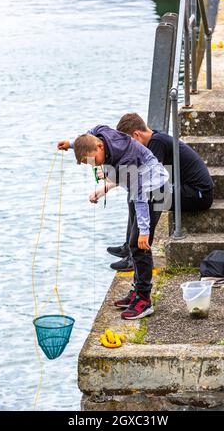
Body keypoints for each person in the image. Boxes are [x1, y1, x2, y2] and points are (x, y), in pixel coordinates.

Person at [57, 125, 170, 320]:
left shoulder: (126, 164)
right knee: (132, 242)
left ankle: (144, 300)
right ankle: (137, 290)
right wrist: (72, 144)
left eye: (92, 160)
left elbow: (140, 196)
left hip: (155, 189)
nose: (93, 165)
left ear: (100, 147)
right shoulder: (100, 132)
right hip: (141, 187)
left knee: (139, 244)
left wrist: (145, 230)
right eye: (87, 163)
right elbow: (87, 138)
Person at [107, 113, 214, 272]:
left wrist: (110, 185)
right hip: (186, 188)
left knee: (148, 196)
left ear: (137, 134)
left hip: (198, 194)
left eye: (129, 142)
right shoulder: (155, 138)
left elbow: (146, 179)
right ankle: (129, 247)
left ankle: (136, 256)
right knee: (135, 194)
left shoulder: (157, 143)